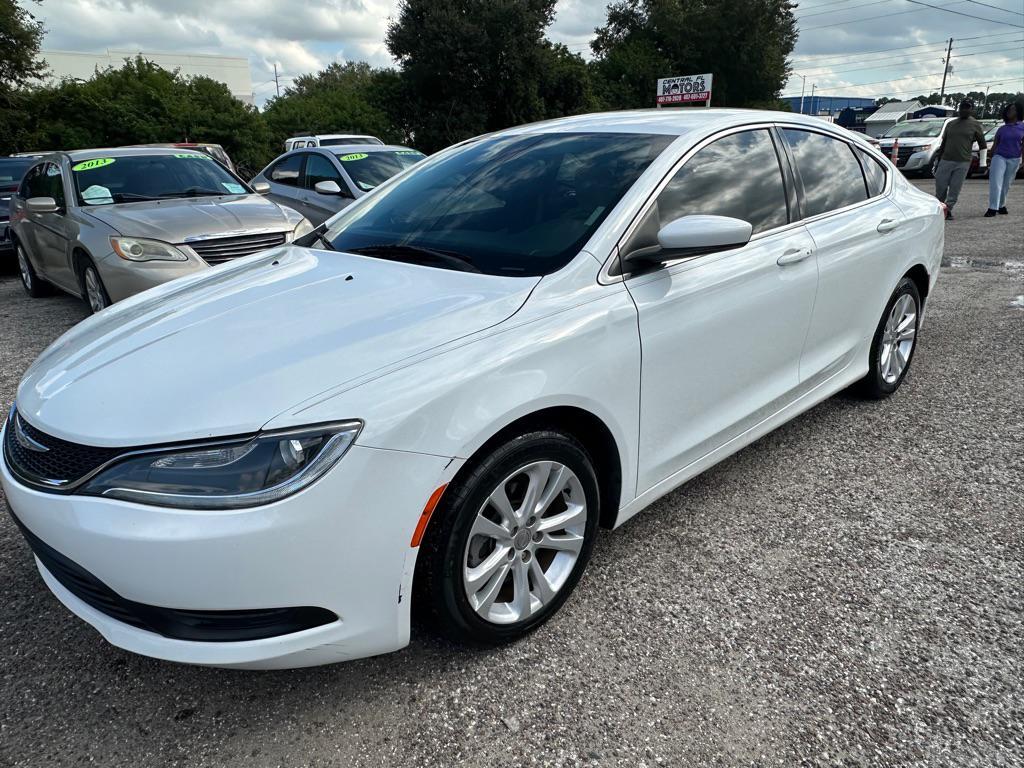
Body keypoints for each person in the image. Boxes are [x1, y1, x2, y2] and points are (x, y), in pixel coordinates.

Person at [934, 99, 987, 220]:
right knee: (940, 186)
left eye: (968, 107)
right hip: (946, 160)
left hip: (962, 162)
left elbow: (982, 144)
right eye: (963, 107)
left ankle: (948, 209)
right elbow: (944, 142)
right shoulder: (951, 124)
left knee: (955, 188)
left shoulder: (975, 124)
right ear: (959, 108)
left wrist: (982, 163)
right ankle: (940, 207)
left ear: (972, 109)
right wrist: (938, 159)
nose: (965, 110)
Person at [985, 101, 1024, 217]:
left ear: (1018, 112)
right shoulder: (1002, 129)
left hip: (1015, 158)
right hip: (999, 156)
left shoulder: (1022, 128)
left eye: (1012, 109)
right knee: (996, 181)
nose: (1009, 111)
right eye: (1008, 109)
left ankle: (1001, 205)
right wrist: (988, 156)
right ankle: (992, 208)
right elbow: (994, 146)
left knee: (1006, 183)